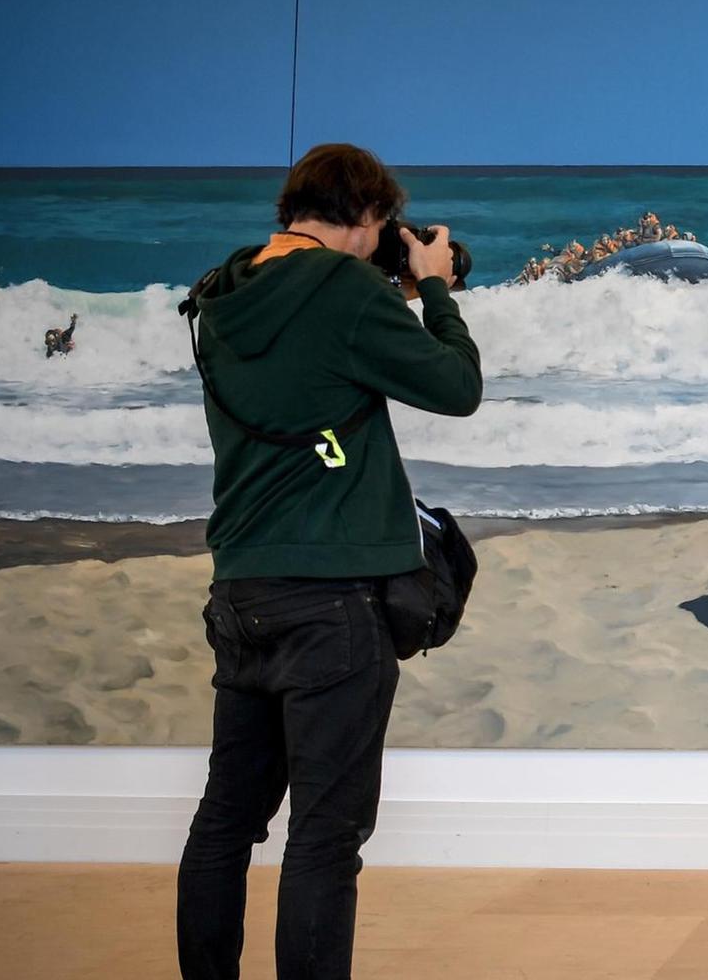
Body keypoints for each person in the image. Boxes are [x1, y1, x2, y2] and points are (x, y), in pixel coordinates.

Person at [175, 143, 481, 980]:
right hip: (333, 603)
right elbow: (456, 387)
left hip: (242, 587)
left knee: (224, 824)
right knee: (323, 837)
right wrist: (438, 292)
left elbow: (304, 363)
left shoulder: (222, 291)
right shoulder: (344, 293)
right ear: (367, 214)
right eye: (383, 223)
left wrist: (394, 283)